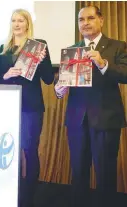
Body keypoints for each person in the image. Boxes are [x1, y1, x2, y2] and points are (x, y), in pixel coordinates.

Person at [55, 6, 127, 207]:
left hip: (106, 119)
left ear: (101, 20)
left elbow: (125, 74)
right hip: (77, 120)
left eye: (90, 18)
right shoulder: (72, 50)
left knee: (105, 174)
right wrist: (59, 89)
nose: (85, 23)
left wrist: (103, 63)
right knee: (78, 173)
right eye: (81, 19)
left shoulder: (117, 46)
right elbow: (62, 86)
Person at [0, 9, 54, 207]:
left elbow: (49, 79)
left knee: (30, 150)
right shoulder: (3, 49)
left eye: (21, 20)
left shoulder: (39, 46)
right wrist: (6, 75)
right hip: (7, 107)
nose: (17, 24)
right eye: (13, 20)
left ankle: (28, 198)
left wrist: (41, 61)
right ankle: (9, 192)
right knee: (10, 151)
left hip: (31, 107)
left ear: (28, 23)